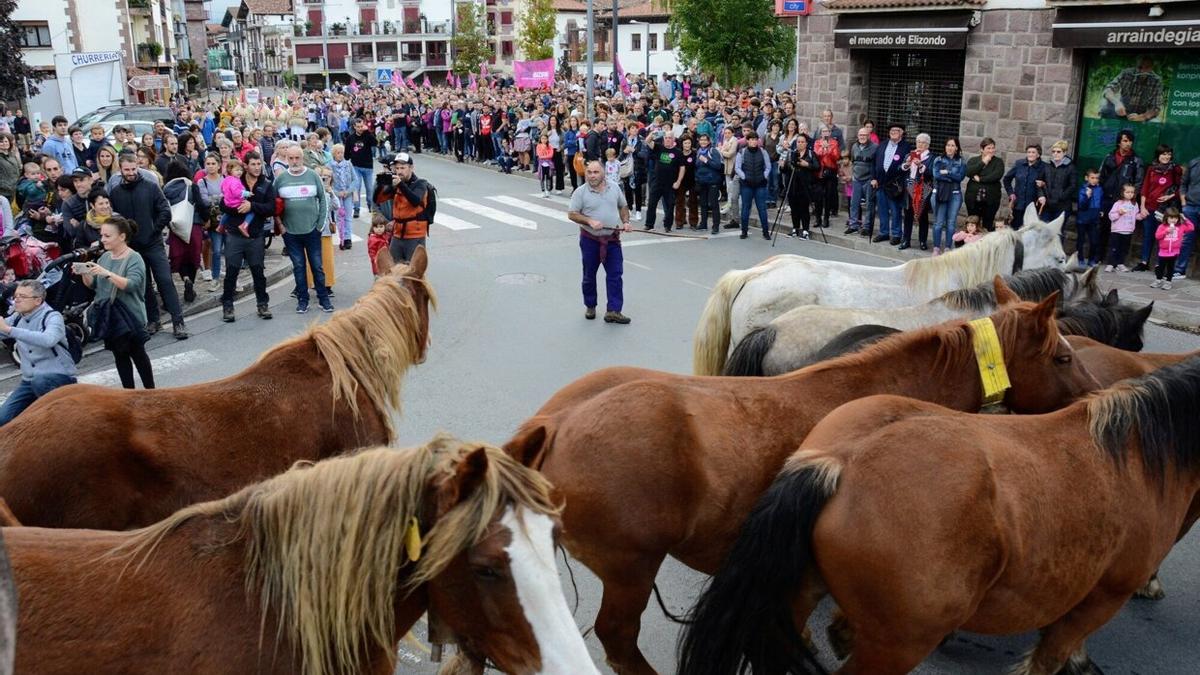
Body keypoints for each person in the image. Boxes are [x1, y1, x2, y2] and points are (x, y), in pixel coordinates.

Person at [107, 154, 188, 340]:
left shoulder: (151, 187)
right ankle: (153, 320)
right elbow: (116, 219)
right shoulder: (116, 192)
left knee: (165, 281)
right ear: (120, 170)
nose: (131, 173)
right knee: (144, 285)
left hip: (153, 244)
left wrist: (154, 230)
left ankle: (178, 321)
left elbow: (165, 211)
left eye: (133, 169)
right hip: (133, 247)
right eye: (127, 170)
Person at [78, 216, 154, 389]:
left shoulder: (134, 258)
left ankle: (151, 391)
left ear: (122, 236)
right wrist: (84, 272)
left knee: (138, 354)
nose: (103, 239)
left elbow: (132, 285)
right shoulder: (105, 257)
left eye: (107, 236)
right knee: (119, 356)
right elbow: (94, 285)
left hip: (130, 316)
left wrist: (107, 273)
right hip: (110, 317)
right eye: (102, 235)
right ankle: (128, 394)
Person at [0, 280, 78, 424]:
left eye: (23, 296)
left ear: (38, 300)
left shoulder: (52, 316)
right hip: (29, 382)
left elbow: (48, 339)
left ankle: (63, 420)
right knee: (3, 419)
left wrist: (9, 330)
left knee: (40, 382)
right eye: (16, 296)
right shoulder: (17, 318)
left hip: (58, 378)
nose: (17, 300)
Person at [567, 160, 632, 324]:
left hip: (612, 240)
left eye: (595, 172)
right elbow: (572, 214)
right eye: (589, 172)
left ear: (603, 173)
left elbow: (623, 206)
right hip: (590, 240)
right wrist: (589, 221)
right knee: (589, 275)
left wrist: (626, 222)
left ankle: (613, 311)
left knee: (615, 275)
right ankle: (590, 305)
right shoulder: (580, 192)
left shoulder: (614, 188)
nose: (592, 176)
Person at [275, 144, 332, 314]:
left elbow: (324, 200)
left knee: (317, 266)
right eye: (291, 158)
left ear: (302, 158)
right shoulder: (280, 179)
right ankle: (303, 300)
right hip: (290, 233)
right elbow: (273, 204)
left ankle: (323, 299)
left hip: (312, 231)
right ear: (287, 159)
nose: (294, 161)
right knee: (299, 267)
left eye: (297, 158)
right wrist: (281, 226)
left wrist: (320, 225)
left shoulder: (313, 175)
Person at [219, 151, 275, 322]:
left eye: (259, 164)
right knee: (232, 272)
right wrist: (238, 208)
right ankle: (228, 306)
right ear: (245, 166)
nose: (257, 168)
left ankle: (262, 304)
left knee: (258, 272)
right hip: (234, 234)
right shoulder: (236, 179)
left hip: (255, 235)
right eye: (253, 164)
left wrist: (252, 206)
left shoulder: (266, 184)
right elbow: (223, 204)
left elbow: (271, 208)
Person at [1098, 130, 1144, 267]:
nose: (1128, 143)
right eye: (1125, 140)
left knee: (1122, 233)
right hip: (1108, 198)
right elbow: (1101, 177)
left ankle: (1118, 261)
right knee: (1104, 229)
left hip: (1124, 201)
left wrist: (1131, 199)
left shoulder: (1136, 160)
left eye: (1130, 141)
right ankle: (1099, 258)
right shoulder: (1109, 157)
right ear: (1119, 142)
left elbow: (1138, 182)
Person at [375, 152, 431, 264]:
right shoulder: (396, 184)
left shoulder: (420, 184)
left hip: (414, 235)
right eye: (397, 168)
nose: (399, 171)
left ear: (411, 168)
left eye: (403, 168)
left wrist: (400, 184)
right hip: (397, 235)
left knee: (413, 270)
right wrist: (381, 184)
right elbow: (378, 199)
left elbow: (415, 201)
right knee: (393, 268)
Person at [1136, 144, 1182, 272]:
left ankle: (1158, 265)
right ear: (1158, 155)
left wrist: (1169, 196)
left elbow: (1181, 188)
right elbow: (1145, 188)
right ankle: (1144, 262)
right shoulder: (1151, 169)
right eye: (1163, 154)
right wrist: (1142, 207)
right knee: (1148, 236)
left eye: (1169, 154)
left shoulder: (1175, 169)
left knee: (1162, 237)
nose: (1166, 157)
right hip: (1149, 207)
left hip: (1165, 211)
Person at [872, 122, 912, 245]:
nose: (893, 132)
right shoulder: (882, 144)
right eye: (891, 130)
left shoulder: (906, 147)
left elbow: (906, 166)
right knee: (882, 209)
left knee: (895, 210)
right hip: (880, 183)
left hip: (895, 184)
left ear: (902, 133)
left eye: (896, 130)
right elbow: (874, 162)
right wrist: (873, 178)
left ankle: (896, 234)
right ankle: (884, 232)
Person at [930, 137, 966, 257]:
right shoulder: (938, 160)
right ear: (945, 147)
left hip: (955, 195)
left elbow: (960, 177)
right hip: (940, 193)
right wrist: (951, 177)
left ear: (956, 148)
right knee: (938, 222)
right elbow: (936, 175)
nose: (950, 148)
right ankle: (936, 248)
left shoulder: (961, 161)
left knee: (951, 223)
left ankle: (947, 247)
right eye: (948, 145)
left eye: (952, 145)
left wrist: (947, 172)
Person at [1100, 56, 1163, 122]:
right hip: (1122, 112)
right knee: (1105, 107)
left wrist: (1142, 117)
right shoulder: (1126, 73)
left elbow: (1156, 108)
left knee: (1155, 122)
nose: (1142, 71)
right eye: (1140, 67)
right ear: (1136, 66)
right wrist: (1117, 103)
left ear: (1151, 68)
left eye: (1147, 67)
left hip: (1142, 115)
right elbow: (1108, 90)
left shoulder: (1156, 80)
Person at [735, 131, 772, 240]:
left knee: (762, 208)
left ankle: (765, 232)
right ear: (747, 141)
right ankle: (744, 231)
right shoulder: (742, 152)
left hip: (760, 185)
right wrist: (744, 177)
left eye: (755, 140)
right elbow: (737, 168)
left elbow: (768, 166)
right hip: (746, 185)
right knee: (745, 208)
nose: (754, 142)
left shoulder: (763, 152)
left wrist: (764, 176)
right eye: (751, 140)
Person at [645, 133, 684, 232]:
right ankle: (649, 225)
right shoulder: (659, 147)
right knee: (652, 204)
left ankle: (668, 226)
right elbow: (647, 141)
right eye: (666, 138)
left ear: (673, 139)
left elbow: (682, 168)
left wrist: (678, 181)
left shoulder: (678, 152)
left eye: (670, 138)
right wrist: (652, 133)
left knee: (670, 205)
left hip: (670, 184)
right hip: (657, 182)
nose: (667, 139)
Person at [1002, 144, 1047, 229]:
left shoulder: (1044, 167)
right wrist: (1011, 193)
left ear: (1038, 155)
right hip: (1018, 204)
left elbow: (1048, 184)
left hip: (1033, 206)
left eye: (1033, 152)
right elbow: (1006, 179)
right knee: (1015, 229)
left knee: (1029, 230)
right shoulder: (1019, 164)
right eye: (1029, 152)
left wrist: (1044, 184)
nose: (1030, 154)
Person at [965, 137, 1004, 231]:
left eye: (993, 148)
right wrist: (983, 162)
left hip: (991, 200)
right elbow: (968, 172)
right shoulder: (973, 160)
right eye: (988, 148)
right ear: (982, 149)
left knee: (988, 224)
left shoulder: (998, 162)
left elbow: (996, 176)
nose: (991, 150)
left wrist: (980, 179)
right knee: (973, 223)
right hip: (974, 199)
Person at [1151, 207, 1193, 290]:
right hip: (1163, 251)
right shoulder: (1162, 226)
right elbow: (1157, 236)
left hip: (1174, 252)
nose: (1173, 220)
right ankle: (1158, 280)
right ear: (1166, 218)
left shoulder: (1181, 227)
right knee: (1161, 267)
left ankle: (1168, 282)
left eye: (1175, 218)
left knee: (1170, 268)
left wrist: (1185, 219)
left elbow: (1191, 228)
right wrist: (1166, 231)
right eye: (1171, 218)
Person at [846, 127, 878, 237]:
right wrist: (852, 175)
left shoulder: (875, 147)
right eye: (860, 135)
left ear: (869, 136)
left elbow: (876, 165)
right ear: (858, 136)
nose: (862, 137)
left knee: (869, 205)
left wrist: (874, 178)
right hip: (856, 179)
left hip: (868, 180)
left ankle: (867, 227)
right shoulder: (854, 146)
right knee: (854, 204)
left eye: (864, 135)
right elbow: (853, 161)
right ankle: (853, 225)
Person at [785, 133, 817, 240]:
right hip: (793, 184)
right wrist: (783, 166)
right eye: (798, 142)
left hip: (805, 185)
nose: (800, 144)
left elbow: (817, 166)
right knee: (794, 208)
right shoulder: (792, 153)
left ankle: (805, 230)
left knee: (804, 208)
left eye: (802, 142)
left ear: (806, 143)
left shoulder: (811, 153)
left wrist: (806, 164)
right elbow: (786, 169)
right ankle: (795, 228)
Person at [345, 118, 377, 218]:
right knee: (357, 187)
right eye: (358, 127)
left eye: (361, 126)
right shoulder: (350, 138)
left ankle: (370, 205)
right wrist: (348, 158)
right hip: (356, 166)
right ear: (354, 127)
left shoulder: (367, 135)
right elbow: (346, 153)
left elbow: (375, 143)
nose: (360, 128)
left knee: (369, 188)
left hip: (368, 166)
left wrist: (368, 132)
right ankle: (356, 208)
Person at [1104, 183, 1139, 273]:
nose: (1130, 194)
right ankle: (1110, 264)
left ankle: (1120, 263)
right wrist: (1119, 213)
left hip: (1128, 231)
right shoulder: (1118, 203)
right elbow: (1111, 216)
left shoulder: (1135, 204)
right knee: (1114, 248)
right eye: (1127, 192)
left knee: (1124, 249)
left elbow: (1135, 216)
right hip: (1117, 230)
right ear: (1122, 193)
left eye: (1132, 192)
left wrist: (1141, 216)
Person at [694, 133, 724, 235]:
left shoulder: (713, 151)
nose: (703, 142)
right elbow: (697, 166)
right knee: (703, 204)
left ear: (708, 141)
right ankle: (703, 224)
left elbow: (718, 165)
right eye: (701, 140)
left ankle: (716, 226)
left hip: (713, 181)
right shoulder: (698, 151)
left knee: (713, 204)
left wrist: (706, 160)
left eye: (705, 140)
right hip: (702, 181)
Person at [812, 125, 840, 229]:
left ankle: (826, 218)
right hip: (819, 172)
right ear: (821, 133)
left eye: (827, 131)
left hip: (830, 171)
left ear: (830, 133)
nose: (825, 133)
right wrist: (822, 148)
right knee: (818, 196)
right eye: (823, 131)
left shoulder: (834, 142)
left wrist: (828, 148)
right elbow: (816, 155)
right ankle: (818, 218)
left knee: (828, 195)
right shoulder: (817, 142)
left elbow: (836, 157)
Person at [1042, 141, 1077, 225]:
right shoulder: (1047, 166)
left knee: (1057, 230)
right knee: (1044, 229)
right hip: (1047, 205)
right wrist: (1042, 195)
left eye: (1058, 152)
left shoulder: (1071, 168)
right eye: (1053, 151)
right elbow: (1040, 182)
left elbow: (1073, 186)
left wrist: (1061, 196)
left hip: (1062, 206)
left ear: (1064, 153)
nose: (1055, 154)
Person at [1177, 152, 1200, 277]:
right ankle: (1179, 270)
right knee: (1186, 240)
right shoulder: (1194, 162)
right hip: (1190, 207)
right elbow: (1183, 184)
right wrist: (1183, 203)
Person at [1076, 169, 1104, 267]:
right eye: (1092, 178)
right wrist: (1087, 196)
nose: (1095, 180)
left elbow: (1101, 201)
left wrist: (1101, 210)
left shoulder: (1099, 189)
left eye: (1097, 178)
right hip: (1083, 219)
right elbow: (1081, 206)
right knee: (1081, 240)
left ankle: (1091, 260)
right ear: (1086, 178)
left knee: (1094, 241)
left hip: (1094, 219)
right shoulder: (1083, 189)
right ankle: (1080, 259)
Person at [367, 213, 391, 278]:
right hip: (378, 266)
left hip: (386, 263)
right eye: (376, 227)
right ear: (373, 228)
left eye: (381, 227)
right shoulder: (373, 239)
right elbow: (372, 252)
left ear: (384, 226)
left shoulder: (385, 235)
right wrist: (376, 260)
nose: (379, 229)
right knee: (379, 279)